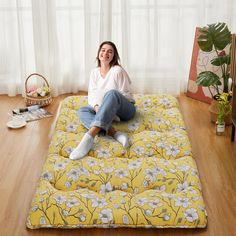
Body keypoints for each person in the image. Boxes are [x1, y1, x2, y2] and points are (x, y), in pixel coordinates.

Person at [69, 41, 136, 160]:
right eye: (103, 50)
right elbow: (92, 95)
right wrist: (97, 108)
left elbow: (126, 95)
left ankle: (89, 137)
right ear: (99, 53)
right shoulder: (94, 72)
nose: (105, 53)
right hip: (104, 108)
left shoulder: (117, 71)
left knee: (112, 93)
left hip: (126, 109)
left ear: (113, 56)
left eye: (110, 51)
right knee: (82, 110)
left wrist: (111, 108)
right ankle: (114, 133)